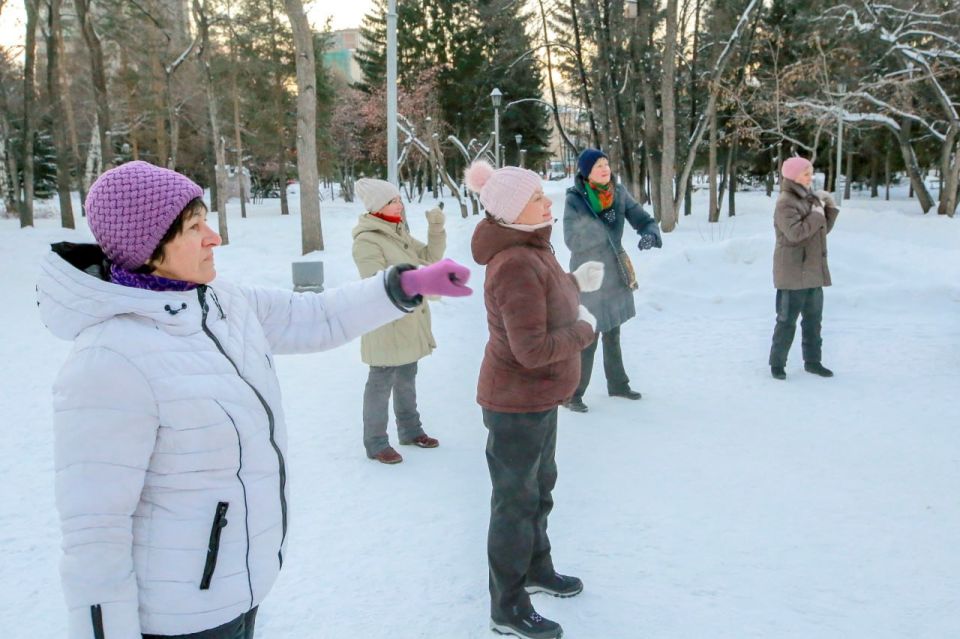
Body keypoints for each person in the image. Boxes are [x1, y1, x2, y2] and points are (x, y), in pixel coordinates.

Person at [37, 161, 472, 639]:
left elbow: (316, 316)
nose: (214, 237)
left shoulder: (220, 302)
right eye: (194, 227)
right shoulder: (109, 361)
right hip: (177, 617)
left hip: (239, 589)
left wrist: (403, 285)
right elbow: (94, 532)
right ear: (149, 248)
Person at [467, 159, 603, 639]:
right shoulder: (514, 262)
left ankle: (536, 570)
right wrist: (585, 330)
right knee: (514, 504)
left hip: (540, 399)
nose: (548, 201)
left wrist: (572, 283)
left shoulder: (532, 244)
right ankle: (506, 606)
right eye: (537, 198)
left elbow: (544, 297)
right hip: (515, 403)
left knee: (539, 490)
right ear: (512, 212)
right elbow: (532, 350)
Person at [352, 178, 447, 464]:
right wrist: (421, 288)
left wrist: (436, 228)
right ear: (377, 207)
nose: (400, 205)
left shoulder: (398, 233)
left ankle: (410, 430)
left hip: (407, 323)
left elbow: (430, 257)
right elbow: (375, 283)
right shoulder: (367, 240)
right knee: (380, 383)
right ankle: (376, 442)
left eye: (398, 199)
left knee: (407, 378)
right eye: (393, 201)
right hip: (384, 325)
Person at [562, 149, 661, 413]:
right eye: (598, 166)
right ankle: (573, 394)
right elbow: (571, 240)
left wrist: (649, 233)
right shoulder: (575, 200)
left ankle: (617, 384)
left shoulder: (617, 193)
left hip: (614, 271)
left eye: (606, 163)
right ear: (586, 172)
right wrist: (601, 228)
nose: (605, 169)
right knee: (589, 334)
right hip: (589, 273)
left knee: (613, 330)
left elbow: (642, 218)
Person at [769, 156, 839, 379]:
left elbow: (820, 230)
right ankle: (777, 365)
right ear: (792, 176)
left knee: (813, 321)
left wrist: (828, 208)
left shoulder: (809, 199)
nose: (811, 177)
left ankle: (813, 362)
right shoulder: (785, 202)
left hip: (812, 271)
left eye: (811, 172)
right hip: (792, 272)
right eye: (806, 173)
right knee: (786, 321)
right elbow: (796, 234)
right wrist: (817, 214)